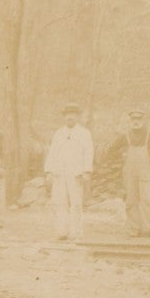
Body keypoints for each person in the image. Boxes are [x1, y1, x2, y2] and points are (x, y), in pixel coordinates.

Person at [43, 102, 95, 241]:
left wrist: (86, 171)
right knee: (59, 203)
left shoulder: (84, 133)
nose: (69, 117)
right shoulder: (59, 133)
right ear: (64, 117)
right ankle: (62, 231)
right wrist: (49, 171)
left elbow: (88, 153)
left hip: (76, 173)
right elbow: (52, 152)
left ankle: (76, 232)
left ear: (77, 116)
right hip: (59, 173)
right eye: (67, 115)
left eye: (72, 114)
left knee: (76, 203)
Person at [113, 109, 150, 238]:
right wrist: (121, 156)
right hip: (130, 172)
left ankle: (148, 229)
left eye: (138, 119)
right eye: (133, 119)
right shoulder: (125, 135)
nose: (136, 122)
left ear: (143, 120)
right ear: (130, 121)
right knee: (131, 200)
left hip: (145, 171)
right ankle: (133, 229)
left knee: (147, 199)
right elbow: (112, 149)